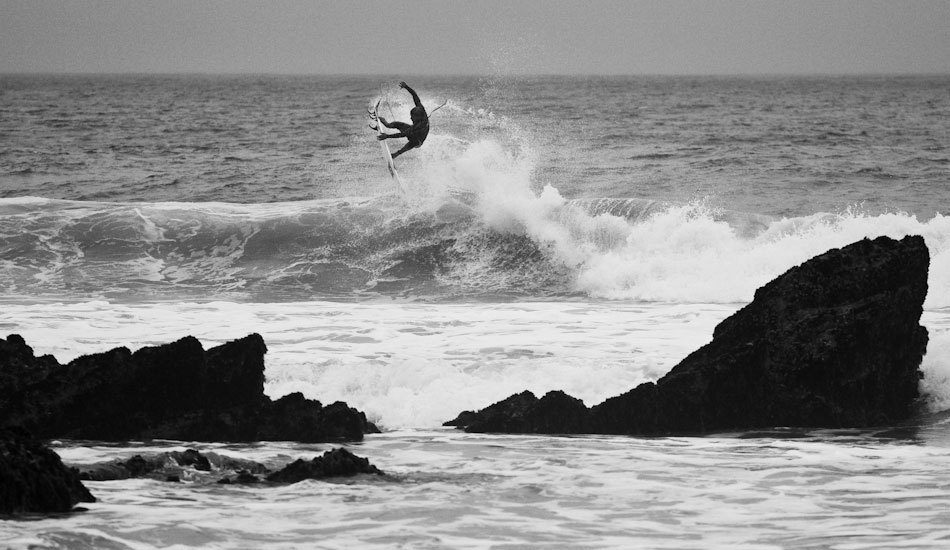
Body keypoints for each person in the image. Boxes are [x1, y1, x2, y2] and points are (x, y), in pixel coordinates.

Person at [375, 82, 429, 159]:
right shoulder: (420, 108)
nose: (411, 118)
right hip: (413, 131)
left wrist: (387, 136)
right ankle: (386, 123)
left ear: (418, 117)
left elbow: (402, 134)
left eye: (412, 118)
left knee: (414, 141)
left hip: (418, 141)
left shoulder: (419, 126)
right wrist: (406, 87)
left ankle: (396, 154)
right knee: (398, 124)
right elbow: (415, 96)